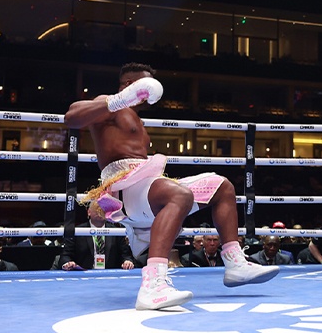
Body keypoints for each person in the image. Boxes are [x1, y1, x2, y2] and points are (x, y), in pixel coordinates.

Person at [64, 62, 278, 310]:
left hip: (145, 187)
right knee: (179, 195)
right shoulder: (109, 105)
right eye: (142, 87)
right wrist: (117, 100)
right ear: (129, 85)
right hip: (123, 188)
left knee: (222, 187)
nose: (147, 97)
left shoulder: (137, 120)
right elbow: (71, 117)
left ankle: (234, 263)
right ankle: (152, 285)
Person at [58, 201, 135, 271]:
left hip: (110, 274)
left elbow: (125, 254)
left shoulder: (116, 231)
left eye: (102, 209)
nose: (100, 211)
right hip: (83, 275)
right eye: (97, 208)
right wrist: (68, 263)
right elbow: (65, 255)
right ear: (89, 212)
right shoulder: (78, 231)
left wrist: (127, 261)